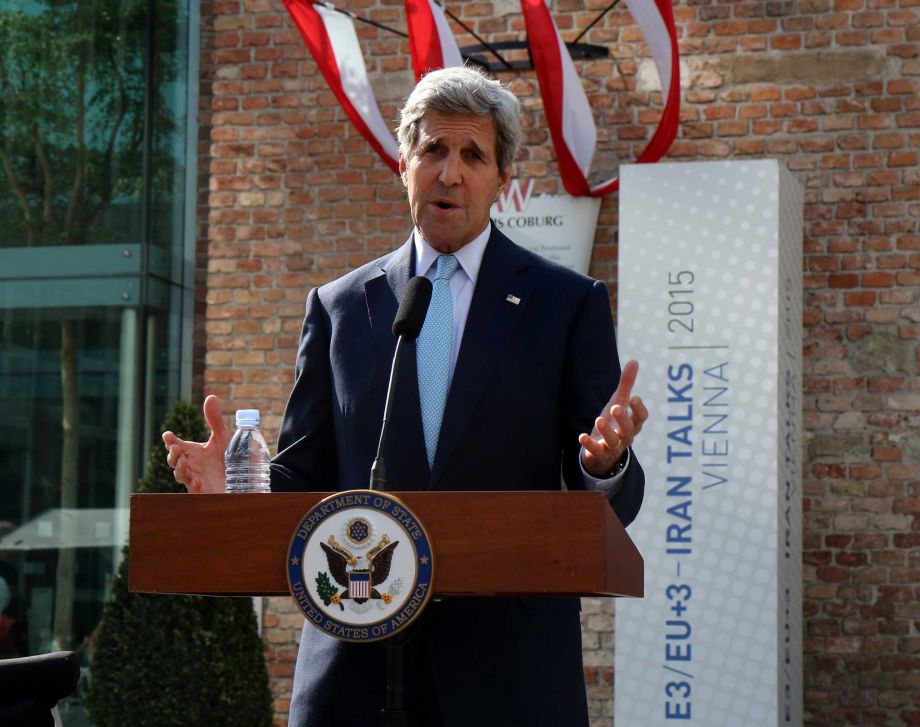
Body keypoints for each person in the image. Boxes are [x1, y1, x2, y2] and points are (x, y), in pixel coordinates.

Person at [165, 66, 648, 727]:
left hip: (508, 679)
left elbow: (609, 487)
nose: (450, 173)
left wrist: (602, 464)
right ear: (403, 163)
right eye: (433, 150)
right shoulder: (338, 308)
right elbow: (304, 477)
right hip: (355, 674)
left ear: (502, 179)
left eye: (473, 155)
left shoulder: (564, 304)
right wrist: (238, 489)